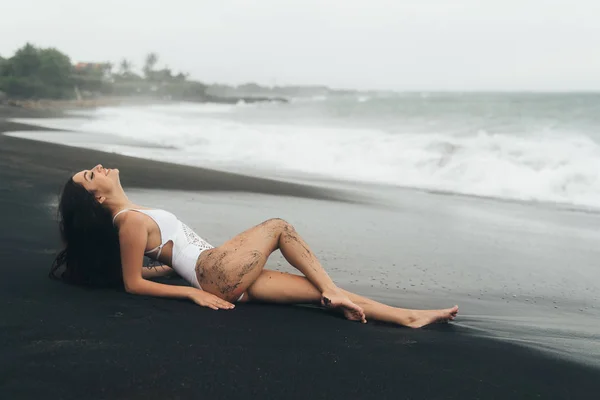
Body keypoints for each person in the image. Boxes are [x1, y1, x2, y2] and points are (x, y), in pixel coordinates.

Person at [50, 164, 458, 328]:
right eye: (90, 175)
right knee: (279, 226)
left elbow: (163, 260)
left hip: (224, 277)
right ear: (98, 199)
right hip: (216, 272)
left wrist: (173, 271)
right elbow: (132, 284)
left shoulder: (134, 218)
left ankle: (408, 318)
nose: (98, 168)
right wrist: (192, 294)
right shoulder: (129, 221)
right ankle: (333, 290)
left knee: (318, 292)